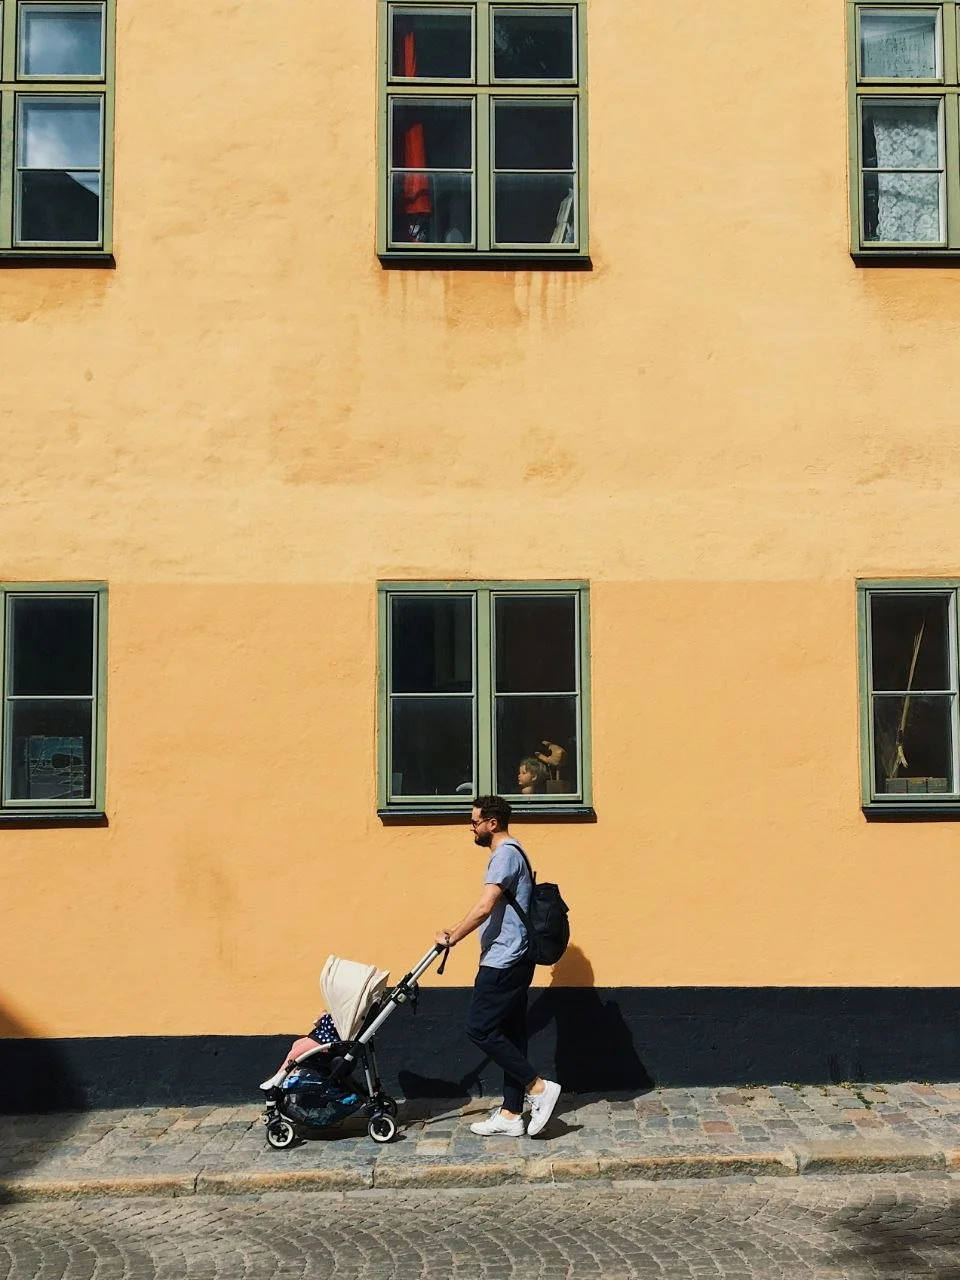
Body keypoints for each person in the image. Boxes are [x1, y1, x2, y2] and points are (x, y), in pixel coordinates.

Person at [435, 795, 561, 1137]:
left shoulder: (504, 855)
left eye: (475, 822)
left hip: (504, 959)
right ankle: (509, 1113)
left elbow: (485, 906)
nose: (471, 828)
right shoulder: (516, 851)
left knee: (479, 1027)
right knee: (511, 1032)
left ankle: (538, 1088)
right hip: (516, 957)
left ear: (492, 823)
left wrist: (454, 936)